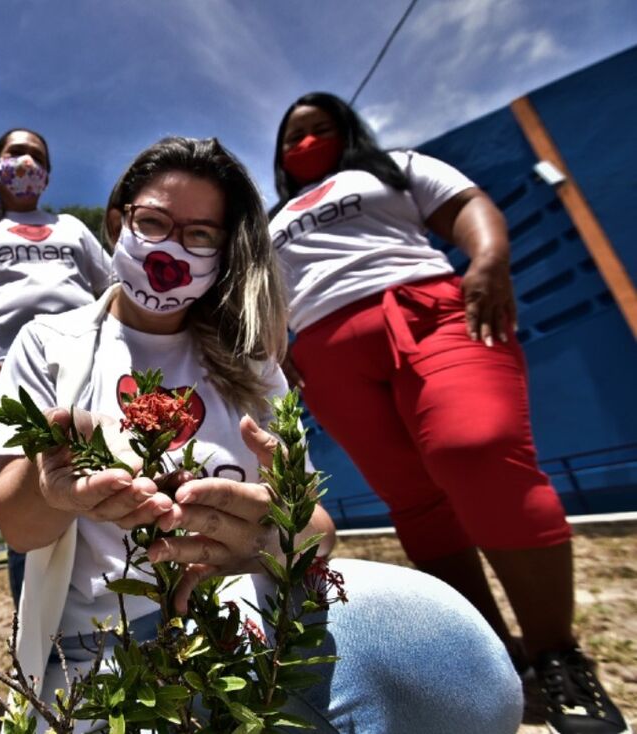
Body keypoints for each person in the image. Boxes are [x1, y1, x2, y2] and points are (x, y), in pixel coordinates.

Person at [0, 136, 523, 733]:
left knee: (449, 653)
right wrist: (52, 488)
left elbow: (316, 530)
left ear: (224, 249)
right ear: (117, 224)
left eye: (200, 234)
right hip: (101, 655)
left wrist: (270, 538)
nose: (172, 248)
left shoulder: (251, 365)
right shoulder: (48, 344)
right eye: (153, 222)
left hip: (244, 628)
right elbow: (15, 522)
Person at [268, 92, 630, 734]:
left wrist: (488, 261)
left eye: (319, 128)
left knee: (478, 449)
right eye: (293, 136)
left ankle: (557, 655)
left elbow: (469, 206)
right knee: (415, 502)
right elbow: (263, 293)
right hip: (326, 357)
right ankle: (489, 660)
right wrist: (275, 347)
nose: (305, 141)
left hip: (430, 312)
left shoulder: (390, 168)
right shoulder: (271, 220)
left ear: (347, 130)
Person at [0, 128, 112, 607]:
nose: (25, 162)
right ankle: (41, 642)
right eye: (15, 152)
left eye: (37, 155)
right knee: (25, 499)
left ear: (48, 175)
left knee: (100, 480)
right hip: (6, 379)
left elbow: (114, 288)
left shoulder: (72, 229)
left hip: (87, 366)